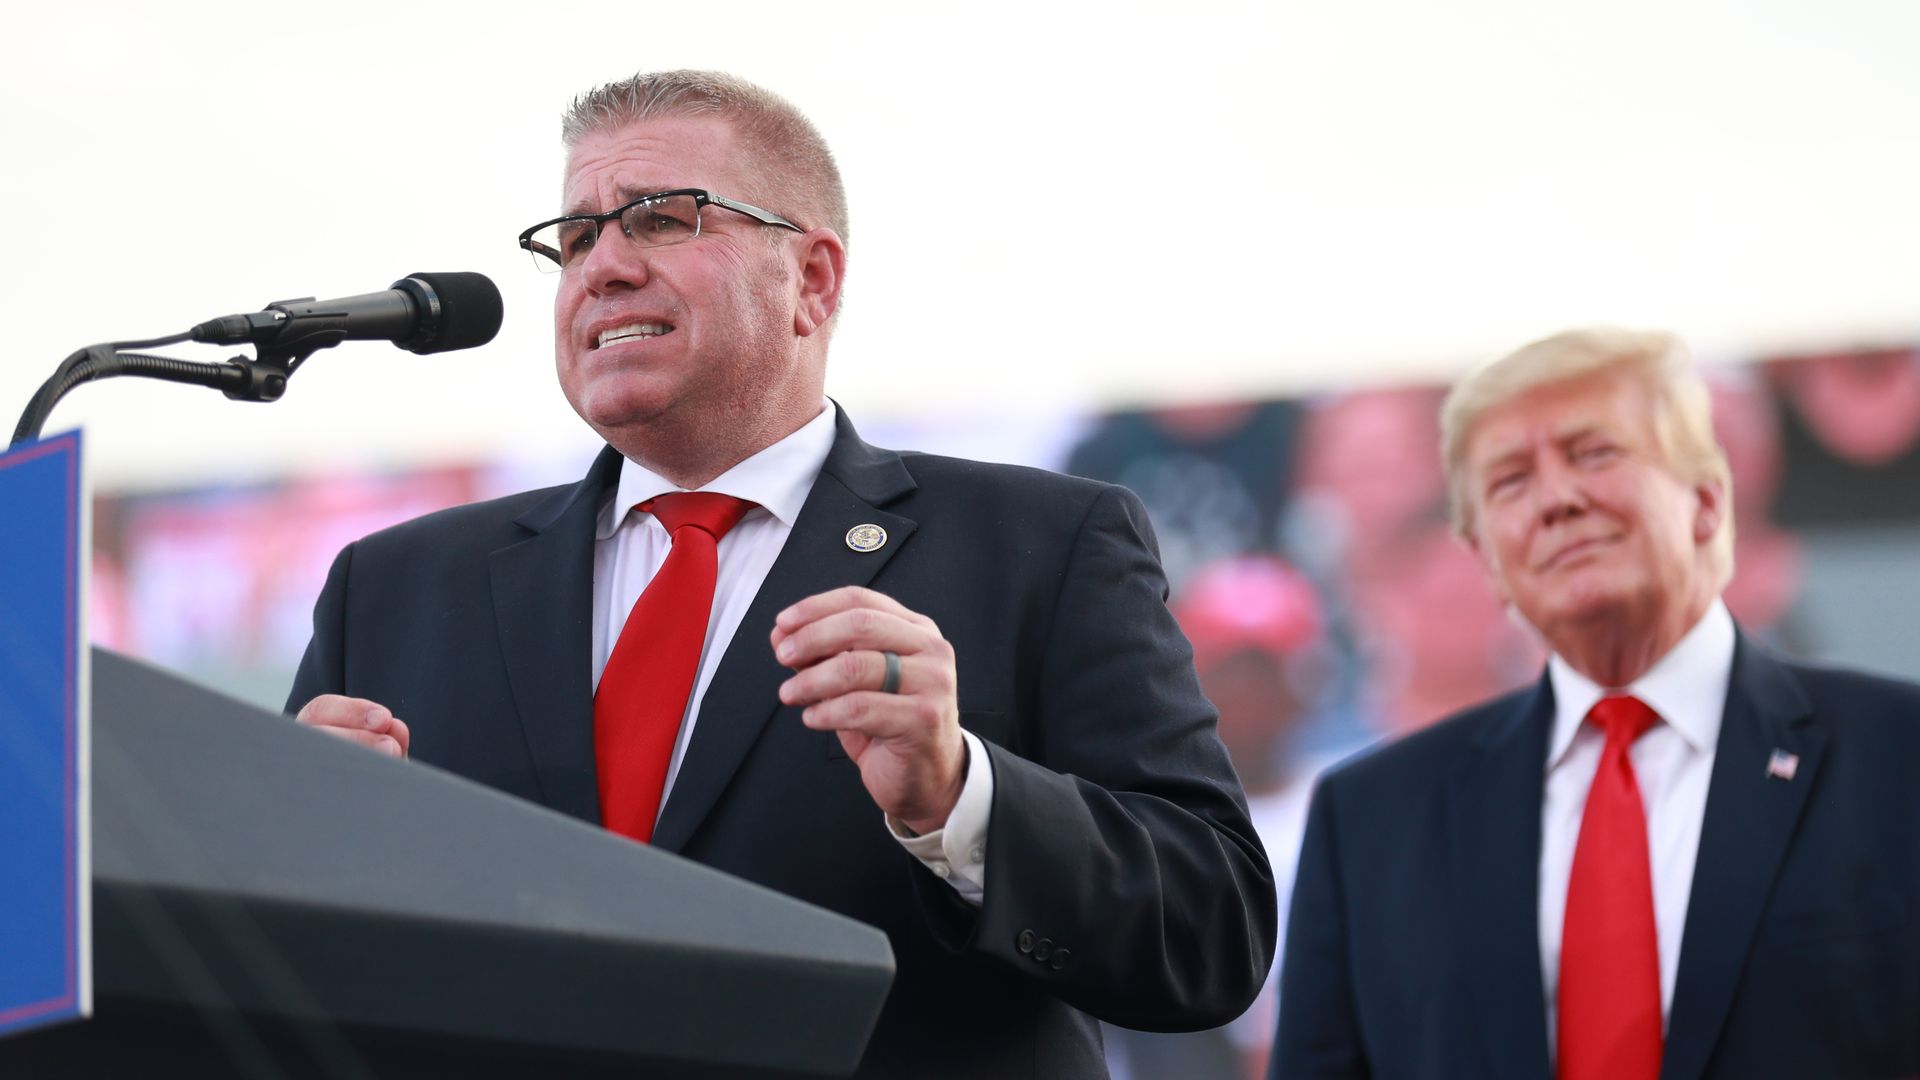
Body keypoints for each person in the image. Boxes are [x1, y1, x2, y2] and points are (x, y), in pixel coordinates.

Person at [284, 70, 1274, 1079]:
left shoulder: (1043, 545)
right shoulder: (396, 589)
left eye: (661, 221)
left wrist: (957, 794)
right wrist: (279, 855)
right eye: (576, 238)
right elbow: (263, 986)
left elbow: (1210, 933)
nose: (603, 269)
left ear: (813, 280)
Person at [1272, 327, 1920, 1080]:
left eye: (1594, 454)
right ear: (1486, 558)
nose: (1557, 499)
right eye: (1510, 481)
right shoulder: (1371, 821)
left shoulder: (1896, 755)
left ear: (1708, 503)